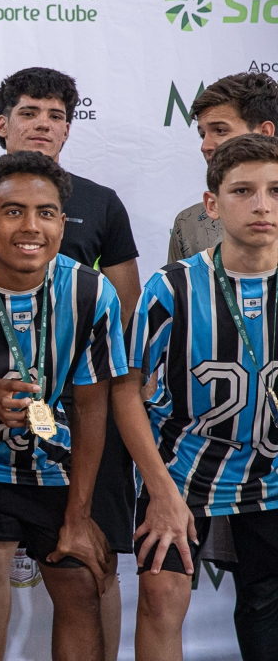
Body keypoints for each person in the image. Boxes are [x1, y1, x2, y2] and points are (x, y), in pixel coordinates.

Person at [0, 67, 140, 660]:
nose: (43, 125)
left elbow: (123, 299)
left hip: (77, 409)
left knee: (89, 562)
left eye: (56, 116)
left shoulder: (100, 202)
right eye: (29, 113)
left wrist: (74, 360)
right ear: (2, 123)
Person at [127, 133, 278, 661]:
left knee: (267, 606)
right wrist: (159, 487)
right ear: (212, 204)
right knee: (161, 598)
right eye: (243, 191)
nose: (262, 205)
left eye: (275, 191)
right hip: (183, 470)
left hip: (273, 474)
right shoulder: (170, 286)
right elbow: (126, 391)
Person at [168, 72, 278, 262]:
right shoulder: (189, 224)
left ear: (264, 132)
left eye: (220, 130)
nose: (205, 146)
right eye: (202, 135)